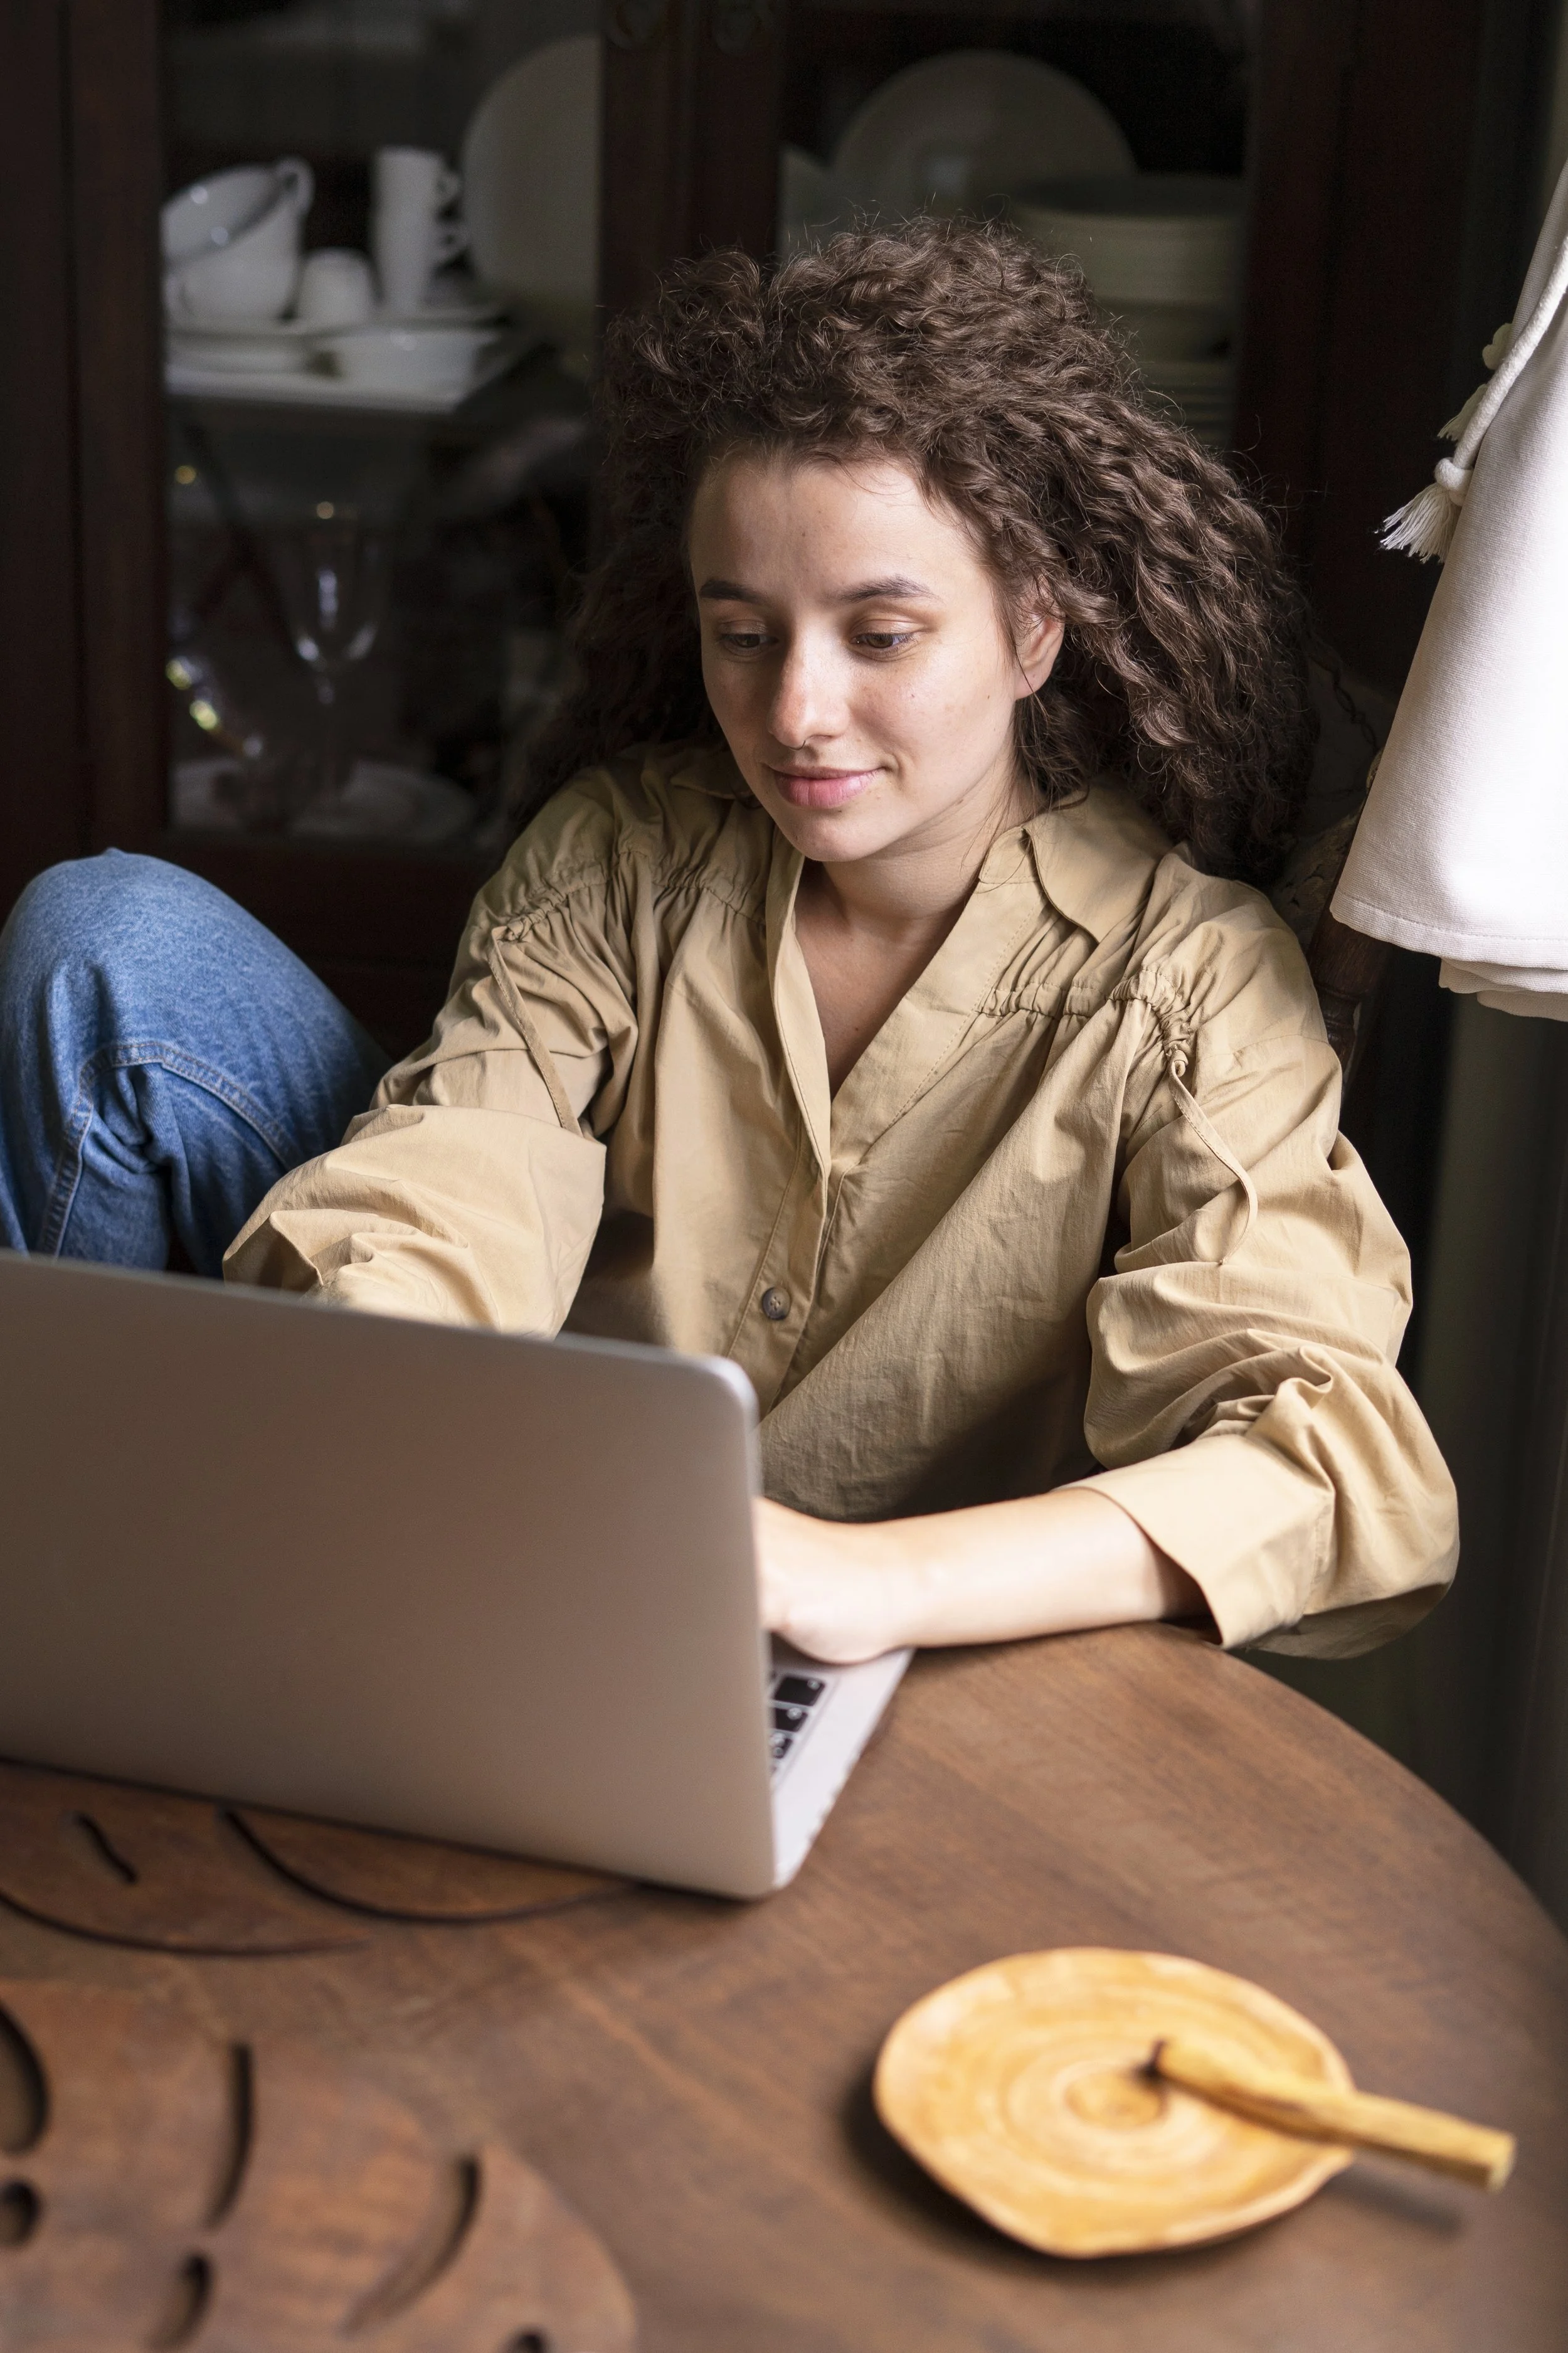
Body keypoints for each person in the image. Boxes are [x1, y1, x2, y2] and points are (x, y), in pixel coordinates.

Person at [0, 221, 1456, 1667]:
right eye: (743, 633)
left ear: (1030, 634)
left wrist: (865, 1584)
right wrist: (389, 1440)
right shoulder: (621, 852)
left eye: (879, 634)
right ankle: (90, 1621)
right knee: (107, 941)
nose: (794, 713)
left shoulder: (1190, 986)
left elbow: (1319, 1462)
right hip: (536, 1573)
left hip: (910, 1670)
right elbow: (442, 1186)